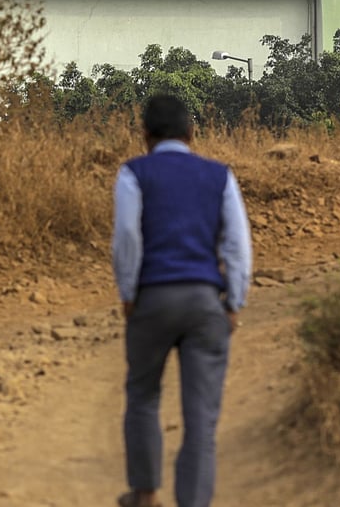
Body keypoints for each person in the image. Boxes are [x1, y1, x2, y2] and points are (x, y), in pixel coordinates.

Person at [112, 94, 253, 507]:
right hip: (204, 302)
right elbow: (237, 246)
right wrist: (233, 302)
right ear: (192, 134)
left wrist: (128, 292)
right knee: (201, 420)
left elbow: (127, 239)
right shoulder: (219, 176)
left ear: (145, 136)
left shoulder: (133, 173)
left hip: (152, 300)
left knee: (142, 395)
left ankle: (144, 495)